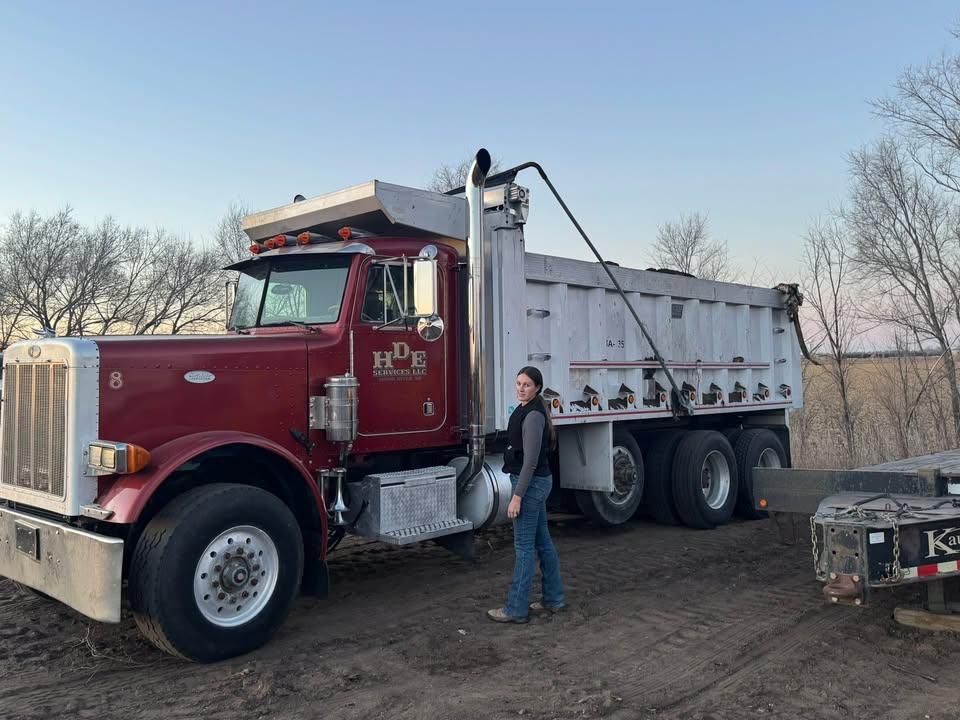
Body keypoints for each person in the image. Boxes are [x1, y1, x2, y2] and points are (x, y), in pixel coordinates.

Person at [487, 366, 565, 623]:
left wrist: (517, 496)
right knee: (542, 542)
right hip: (536, 484)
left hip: (530, 485)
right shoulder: (526, 410)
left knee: (523, 547)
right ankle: (554, 598)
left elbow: (530, 461)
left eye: (527, 385)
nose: (521, 388)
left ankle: (516, 609)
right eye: (518, 383)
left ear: (538, 388)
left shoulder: (532, 416)